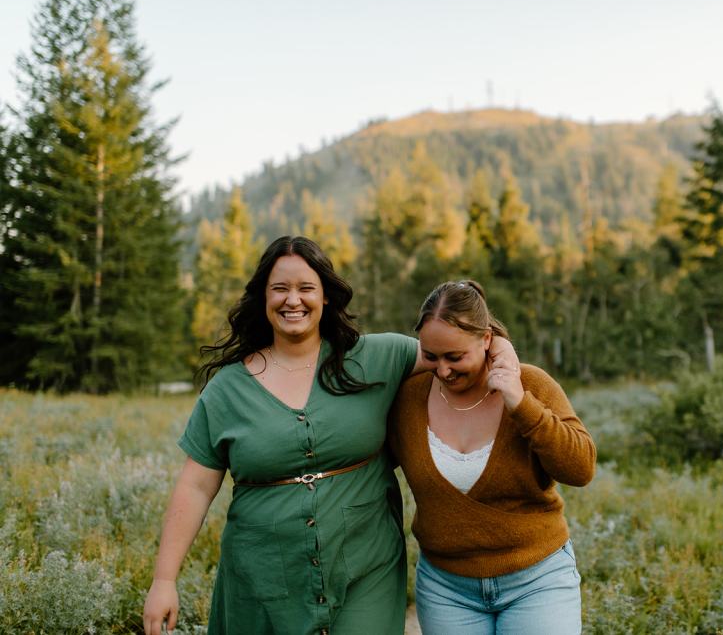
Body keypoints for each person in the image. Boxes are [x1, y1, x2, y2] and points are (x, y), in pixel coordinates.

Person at [143, 238, 517, 635]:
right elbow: (196, 486)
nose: (293, 300)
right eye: (280, 288)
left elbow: (459, 346)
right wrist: (164, 580)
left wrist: (501, 345)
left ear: (325, 296)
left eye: (306, 288)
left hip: (366, 569)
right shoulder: (227, 389)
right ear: (263, 297)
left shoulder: (378, 357)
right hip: (261, 577)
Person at [388, 280, 597, 634]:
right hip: (446, 590)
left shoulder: (531, 384)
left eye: (455, 357)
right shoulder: (409, 397)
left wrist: (521, 404)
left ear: (486, 339)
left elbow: (581, 469)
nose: (443, 370)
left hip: (537, 581)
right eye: (432, 356)